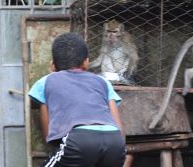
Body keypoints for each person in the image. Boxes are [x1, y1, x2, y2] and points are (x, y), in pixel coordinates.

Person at [28, 32, 126, 167]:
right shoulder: (102, 82)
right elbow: (118, 127)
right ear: (86, 62)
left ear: (53, 66)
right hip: (115, 142)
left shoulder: (45, 82)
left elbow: (48, 133)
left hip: (79, 140)